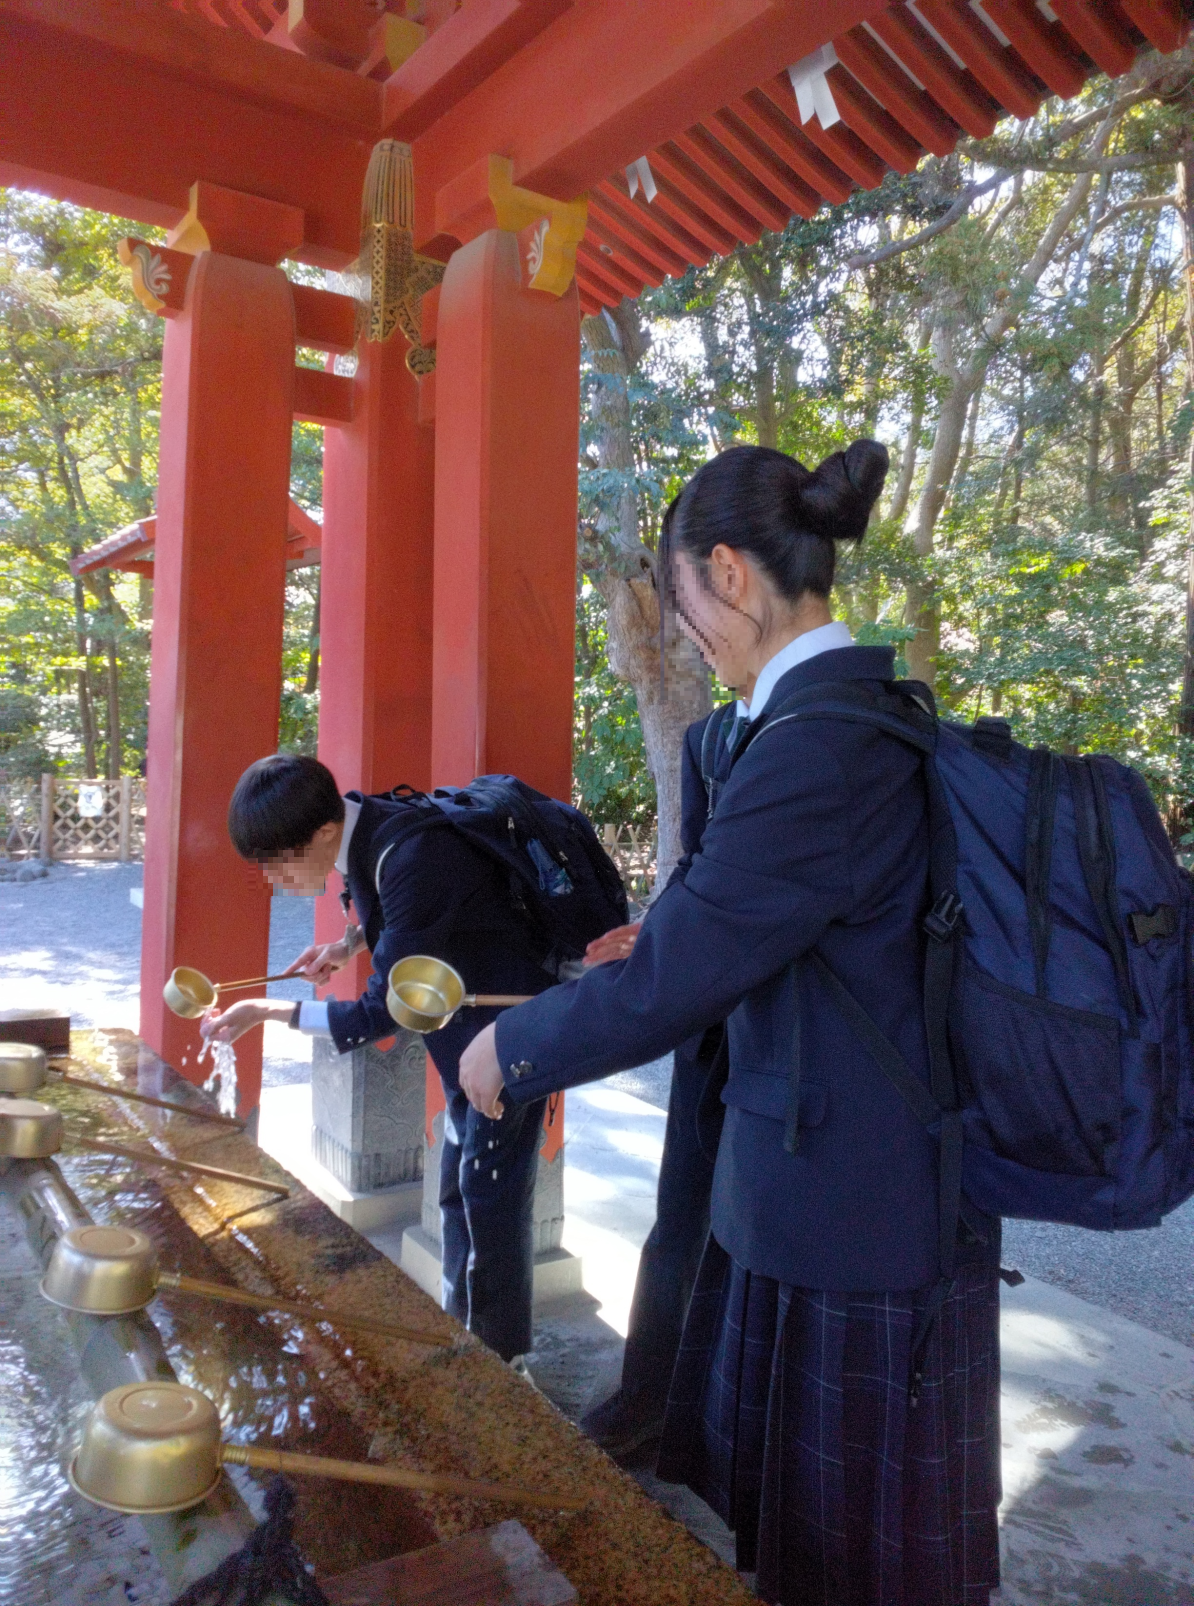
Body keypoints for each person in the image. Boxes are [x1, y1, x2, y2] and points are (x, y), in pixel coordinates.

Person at [459, 441, 1002, 1605]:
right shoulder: (848, 714)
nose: (687, 634)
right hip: (857, 1190)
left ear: (729, 574)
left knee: (849, 1564)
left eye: (683, 602)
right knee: (823, 1547)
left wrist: (514, 1043)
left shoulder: (818, 746)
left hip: (862, 1220)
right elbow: (752, 930)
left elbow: (678, 979)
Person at [201, 756, 559, 1368]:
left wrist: (267, 1011)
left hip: (508, 1044)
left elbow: (379, 1013)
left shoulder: (412, 855)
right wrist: (347, 945)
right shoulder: (369, 826)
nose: (270, 878)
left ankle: (499, 1371)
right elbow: (402, 917)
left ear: (322, 833)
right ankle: (466, 1340)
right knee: (461, 1195)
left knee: (490, 1205)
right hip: (466, 1044)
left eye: (276, 862)